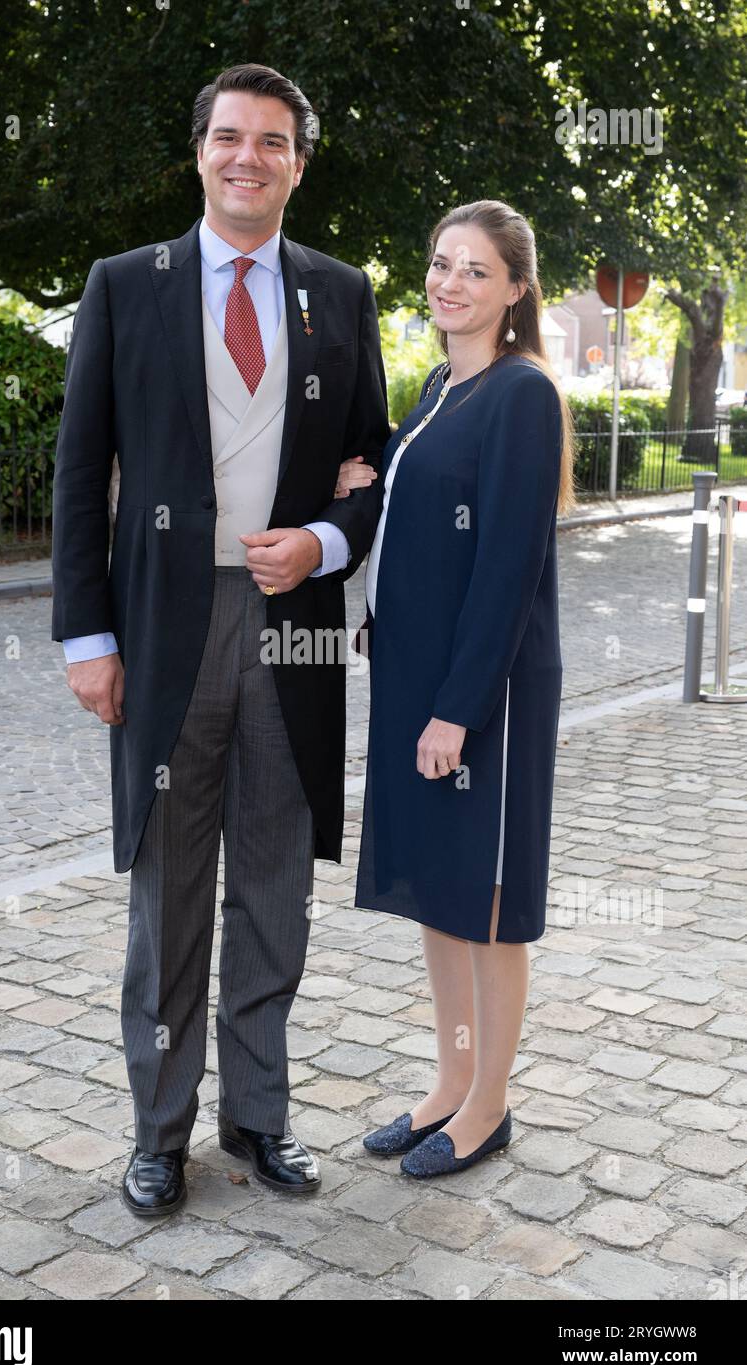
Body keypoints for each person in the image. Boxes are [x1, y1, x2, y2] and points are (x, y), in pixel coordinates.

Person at [51, 63, 389, 1215]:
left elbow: (371, 468)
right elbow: (76, 469)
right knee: (169, 890)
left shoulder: (339, 294)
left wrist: (324, 544)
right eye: (229, 138)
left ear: (299, 161)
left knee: (276, 883)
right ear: (198, 151)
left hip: (290, 630)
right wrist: (85, 636)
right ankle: (158, 1128)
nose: (249, 158)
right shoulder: (123, 286)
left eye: (273, 142)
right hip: (163, 627)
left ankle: (259, 1114)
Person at [342, 200, 576, 1179]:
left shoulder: (521, 394)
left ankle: (487, 1105)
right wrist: (370, 478)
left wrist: (456, 708)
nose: (449, 283)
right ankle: (446, 1083)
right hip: (414, 676)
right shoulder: (439, 383)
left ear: (514, 290)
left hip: (485, 692)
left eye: (474, 270)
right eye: (439, 264)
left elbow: (508, 565)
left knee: (485, 899)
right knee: (439, 895)